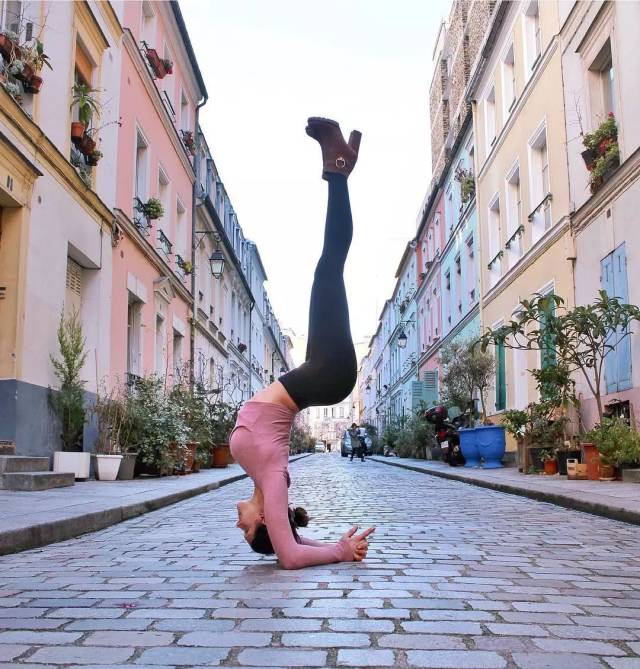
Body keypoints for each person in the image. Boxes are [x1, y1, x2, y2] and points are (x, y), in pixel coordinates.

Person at [231, 117, 375, 570]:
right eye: (248, 530)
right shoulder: (273, 481)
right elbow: (289, 556)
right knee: (329, 268)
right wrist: (337, 550)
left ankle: (338, 168)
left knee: (326, 268)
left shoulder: (261, 475)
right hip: (327, 373)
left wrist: (324, 544)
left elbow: (291, 543)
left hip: (317, 372)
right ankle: (337, 169)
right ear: (265, 525)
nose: (239, 524)